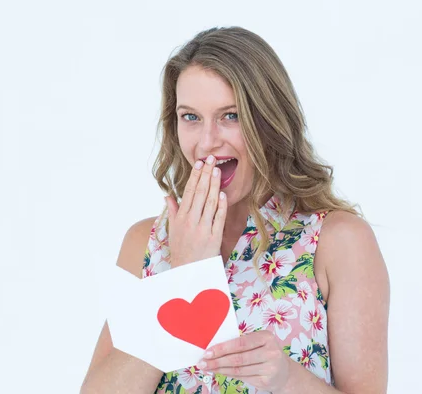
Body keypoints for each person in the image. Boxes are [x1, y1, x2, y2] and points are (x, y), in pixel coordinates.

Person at [80, 26, 390, 394]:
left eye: (231, 115)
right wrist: (182, 276)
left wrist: (289, 378)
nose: (208, 142)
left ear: (271, 121)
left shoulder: (337, 241)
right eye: (190, 117)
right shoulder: (145, 242)